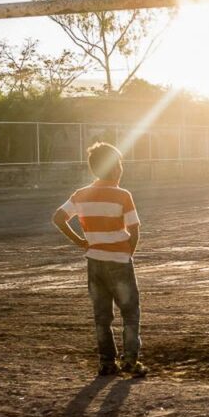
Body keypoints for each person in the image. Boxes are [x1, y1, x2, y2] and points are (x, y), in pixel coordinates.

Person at [52, 142, 147, 377]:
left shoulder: (81, 195)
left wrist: (79, 241)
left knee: (102, 316)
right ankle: (131, 360)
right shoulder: (123, 196)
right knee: (130, 312)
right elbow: (134, 230)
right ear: (115, 168)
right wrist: (127, 254)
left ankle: (106, 362)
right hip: (119, 261)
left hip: (94, 262)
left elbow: (58, 218)